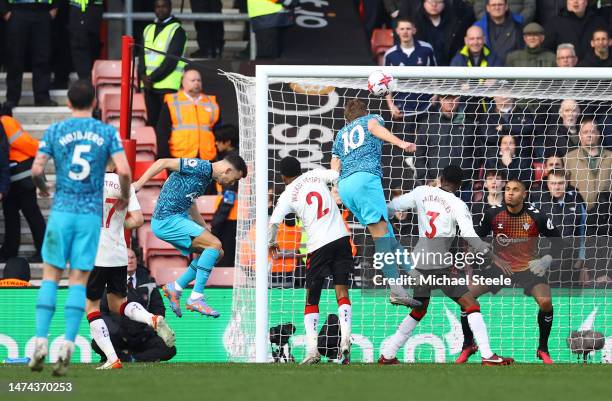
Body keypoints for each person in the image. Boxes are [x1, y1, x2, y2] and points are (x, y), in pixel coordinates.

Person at [28, 80, 132, 376]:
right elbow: (123, 170)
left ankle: (39, 342)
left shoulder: (55, 131)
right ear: (95, 104)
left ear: (69, 104)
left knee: (50, 277)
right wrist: (124, 194)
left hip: (62, 212)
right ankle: (68, 347)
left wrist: (43, 187)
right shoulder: (106, 132)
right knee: (78, 282)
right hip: (88, 218)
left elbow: (37, 169)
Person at [379, 165, 513, 365]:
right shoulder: (458, 204)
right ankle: (487, 355)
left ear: (441, 178)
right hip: (438, 266)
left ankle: (388, 354)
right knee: (472, 305)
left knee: (419, 309)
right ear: (460, 184)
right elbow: (470, 236)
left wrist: (378, 220)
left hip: (418, 264)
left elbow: (392, 207)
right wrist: (492, 256)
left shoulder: (422, 192)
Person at [457, 178, 563, 364]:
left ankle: (543, 349)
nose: (510, 193)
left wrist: (546, 260)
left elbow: (559, 242)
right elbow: (476, 237)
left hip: (527, 268)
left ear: (524, 194)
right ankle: (468, 345)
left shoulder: (536, 216)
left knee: (545, 302)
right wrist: (477, 251)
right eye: (507, 189)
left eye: (515, 190)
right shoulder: (492, 213)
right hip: (500, 268)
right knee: (466, 297)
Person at [133, 153, 247, 318]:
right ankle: (196, 297)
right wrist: (139, 184)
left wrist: (203, 227)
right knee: (213, 245)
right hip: (167, 219)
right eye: (234, 179)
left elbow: (190, 202)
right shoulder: (199, 166)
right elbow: (163, 161)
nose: (232, 183)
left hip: (178, 218)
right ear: (227, 170)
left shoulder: (206, 177)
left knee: (217, 252)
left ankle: (176, 287)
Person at [331, 98, 420, 307]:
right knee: (381, 237)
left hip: (345, 187)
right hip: (365, 180)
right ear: (364, 112)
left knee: (387, 231)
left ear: (346, 117)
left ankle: (415, 275)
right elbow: (373, 127)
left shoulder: (340, 134)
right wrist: (401, 143)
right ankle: (397, 290)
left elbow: (335, 162)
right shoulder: (370, 120)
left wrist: (334, 188)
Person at [85, 161, 175, 370]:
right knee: (118, 304)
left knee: (91, 307)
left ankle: (112, 359)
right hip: (118, 254)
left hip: (94, 252)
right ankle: (151, 318)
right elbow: (137, 220)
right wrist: (116, 226)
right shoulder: (124, 184)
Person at [268, 157, 354, 364]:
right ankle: (345, 341)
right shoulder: (315, 174)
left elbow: (274, 222)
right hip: (342, 238)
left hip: (318, 246)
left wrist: (271, 242)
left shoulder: (287, 194)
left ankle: (312, 350)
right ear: (300, 169)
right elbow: (336, 175)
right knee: (341, 291)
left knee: (311, 298)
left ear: (283, 177)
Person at [91, 249, 177, 363]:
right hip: (118, 334)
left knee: (169, 349)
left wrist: (148, 329)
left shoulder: (149, 281)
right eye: (126, 258)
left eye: (132, 257)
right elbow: (103, 311)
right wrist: (116, 331)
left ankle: (132, 359)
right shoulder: (109, 282)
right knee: (96, 343)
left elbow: (158, 307)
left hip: (143, 335)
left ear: (137, 260)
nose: (130, 261)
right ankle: (127, 357)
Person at [0, 109, 46, 262]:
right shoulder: (6, 121)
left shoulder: (5, 121)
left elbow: (25, 144)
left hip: (20, 175)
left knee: (30, 213)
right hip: (14, 176)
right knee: (12, 215)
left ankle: (41, 251)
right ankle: (9, 251)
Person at [530, 169, 587, 287]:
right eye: (553, 183)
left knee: (566, 301)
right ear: (547, 184)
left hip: (569, 262)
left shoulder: (577, 203)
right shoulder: (537, 204)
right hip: (543, 262)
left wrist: (580, 260)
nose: (556, 187)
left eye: (560, 183)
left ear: (566, 183)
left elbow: (582, 233)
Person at [138, 0, 187, 127]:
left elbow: (171, 60)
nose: (160, 10)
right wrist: (142, 75)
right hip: (149, 87)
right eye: (157, 7)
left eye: (164, 7)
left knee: (165, 127)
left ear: (170, 8)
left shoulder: (177, 30)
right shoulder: (148, 29)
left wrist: (151, 78)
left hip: (168, 86)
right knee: (151, 125)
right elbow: (142, 55)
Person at [0, 0, 58, 108]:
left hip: (43, 11)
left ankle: (42, 97)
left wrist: (55, 6)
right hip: (17, 11)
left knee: (43, 57)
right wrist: (4, 11)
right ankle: (12, 98)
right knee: (14, 58)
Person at [155, 68, 220, 161]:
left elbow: (218, 129)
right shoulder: (172, 101)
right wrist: (165, 157)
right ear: (183, 82)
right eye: (192, 80)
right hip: (180, 156)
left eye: (199, 80)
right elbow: (162, 131)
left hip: (206, 156)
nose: (196, 83)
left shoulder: (211, 102)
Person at [414, 93, 478, 182]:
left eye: (453, 98)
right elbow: (419, 153)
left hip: (464, 184)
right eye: (446, 98)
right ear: (440, 100)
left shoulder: (470, 124)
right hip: (434, 184)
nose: (450, 101)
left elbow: (478, 154)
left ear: (459, 98)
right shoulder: (428, 124)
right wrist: (426, 179)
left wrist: (473, 179)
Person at [564, 117, 612, 234]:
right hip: (579, 216)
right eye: (585, 132)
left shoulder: (611, 156)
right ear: (580, 135)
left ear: (598, 134)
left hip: (606, 216)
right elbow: (564, 185)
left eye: (592, 132)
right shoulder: (569, 158)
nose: (589, 135)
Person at [383, 17, 436, 121]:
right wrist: (390, 105)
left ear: (414, 30)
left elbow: (435, 74)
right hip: (402, 109)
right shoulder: (390, 55)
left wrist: (436, 95)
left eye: (408, 28)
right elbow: (386, 83)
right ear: (397, 31)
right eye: (402, 29)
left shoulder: (426, 49)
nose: (405, 32)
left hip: (426, 107)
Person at [411, 0, 475, 66]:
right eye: (430, 2)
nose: (434, 5)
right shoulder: (415, 23)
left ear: (444, 3)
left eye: (438, 2)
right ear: (423, 3)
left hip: (449, 69)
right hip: (422, 69)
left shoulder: (454, 22)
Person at [211, 125, 239, 267]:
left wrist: (216, 221)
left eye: (218, 140)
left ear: (227, 142)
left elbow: (230, 194)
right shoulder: (235, 158)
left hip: (230, 218)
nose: (216, 143)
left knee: (225, 261)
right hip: (230, 216)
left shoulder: (232, 162)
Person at [543, 0, 608, 60]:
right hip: (565, 70)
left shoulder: (598, 22)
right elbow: (547, 51)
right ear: (567, 1)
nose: (576, 1)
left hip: (593, 69)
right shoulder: (554, 23)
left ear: (586, 2)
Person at [68, 0, 104, 80]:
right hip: (87, 11)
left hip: (83, 11)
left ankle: (87, 85)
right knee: (89, 51)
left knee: (82, 49)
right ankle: (89, 83)